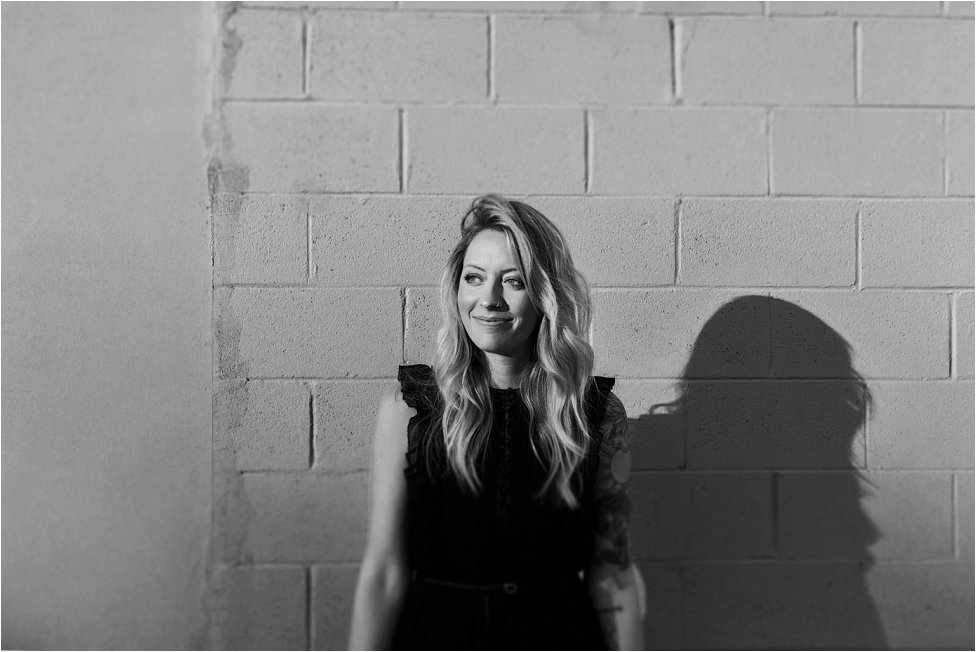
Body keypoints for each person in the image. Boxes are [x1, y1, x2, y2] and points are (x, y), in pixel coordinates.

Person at [348, 195, 644, 650]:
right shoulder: (409, 407)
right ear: (456, 289)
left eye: (513, 281)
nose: (489, 299)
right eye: (474, 278)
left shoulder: (594, 412)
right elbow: (384, 570)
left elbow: (613, 571)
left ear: (545, 294)